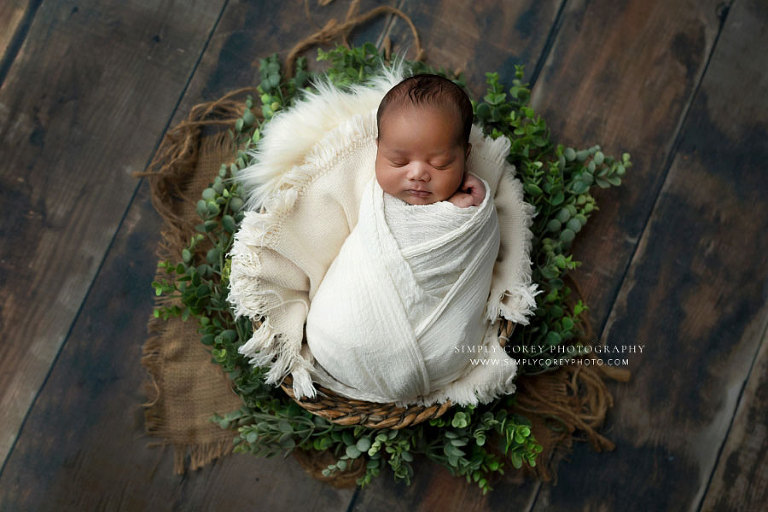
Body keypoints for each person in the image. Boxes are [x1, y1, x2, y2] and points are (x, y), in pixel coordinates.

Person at [374, 73, 486, 208]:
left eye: (440, 164)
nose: (417, 175)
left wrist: (473, 205)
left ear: (465, 156)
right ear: (378, 149)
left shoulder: (469, 196)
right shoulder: (361, 185)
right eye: (399, 162)